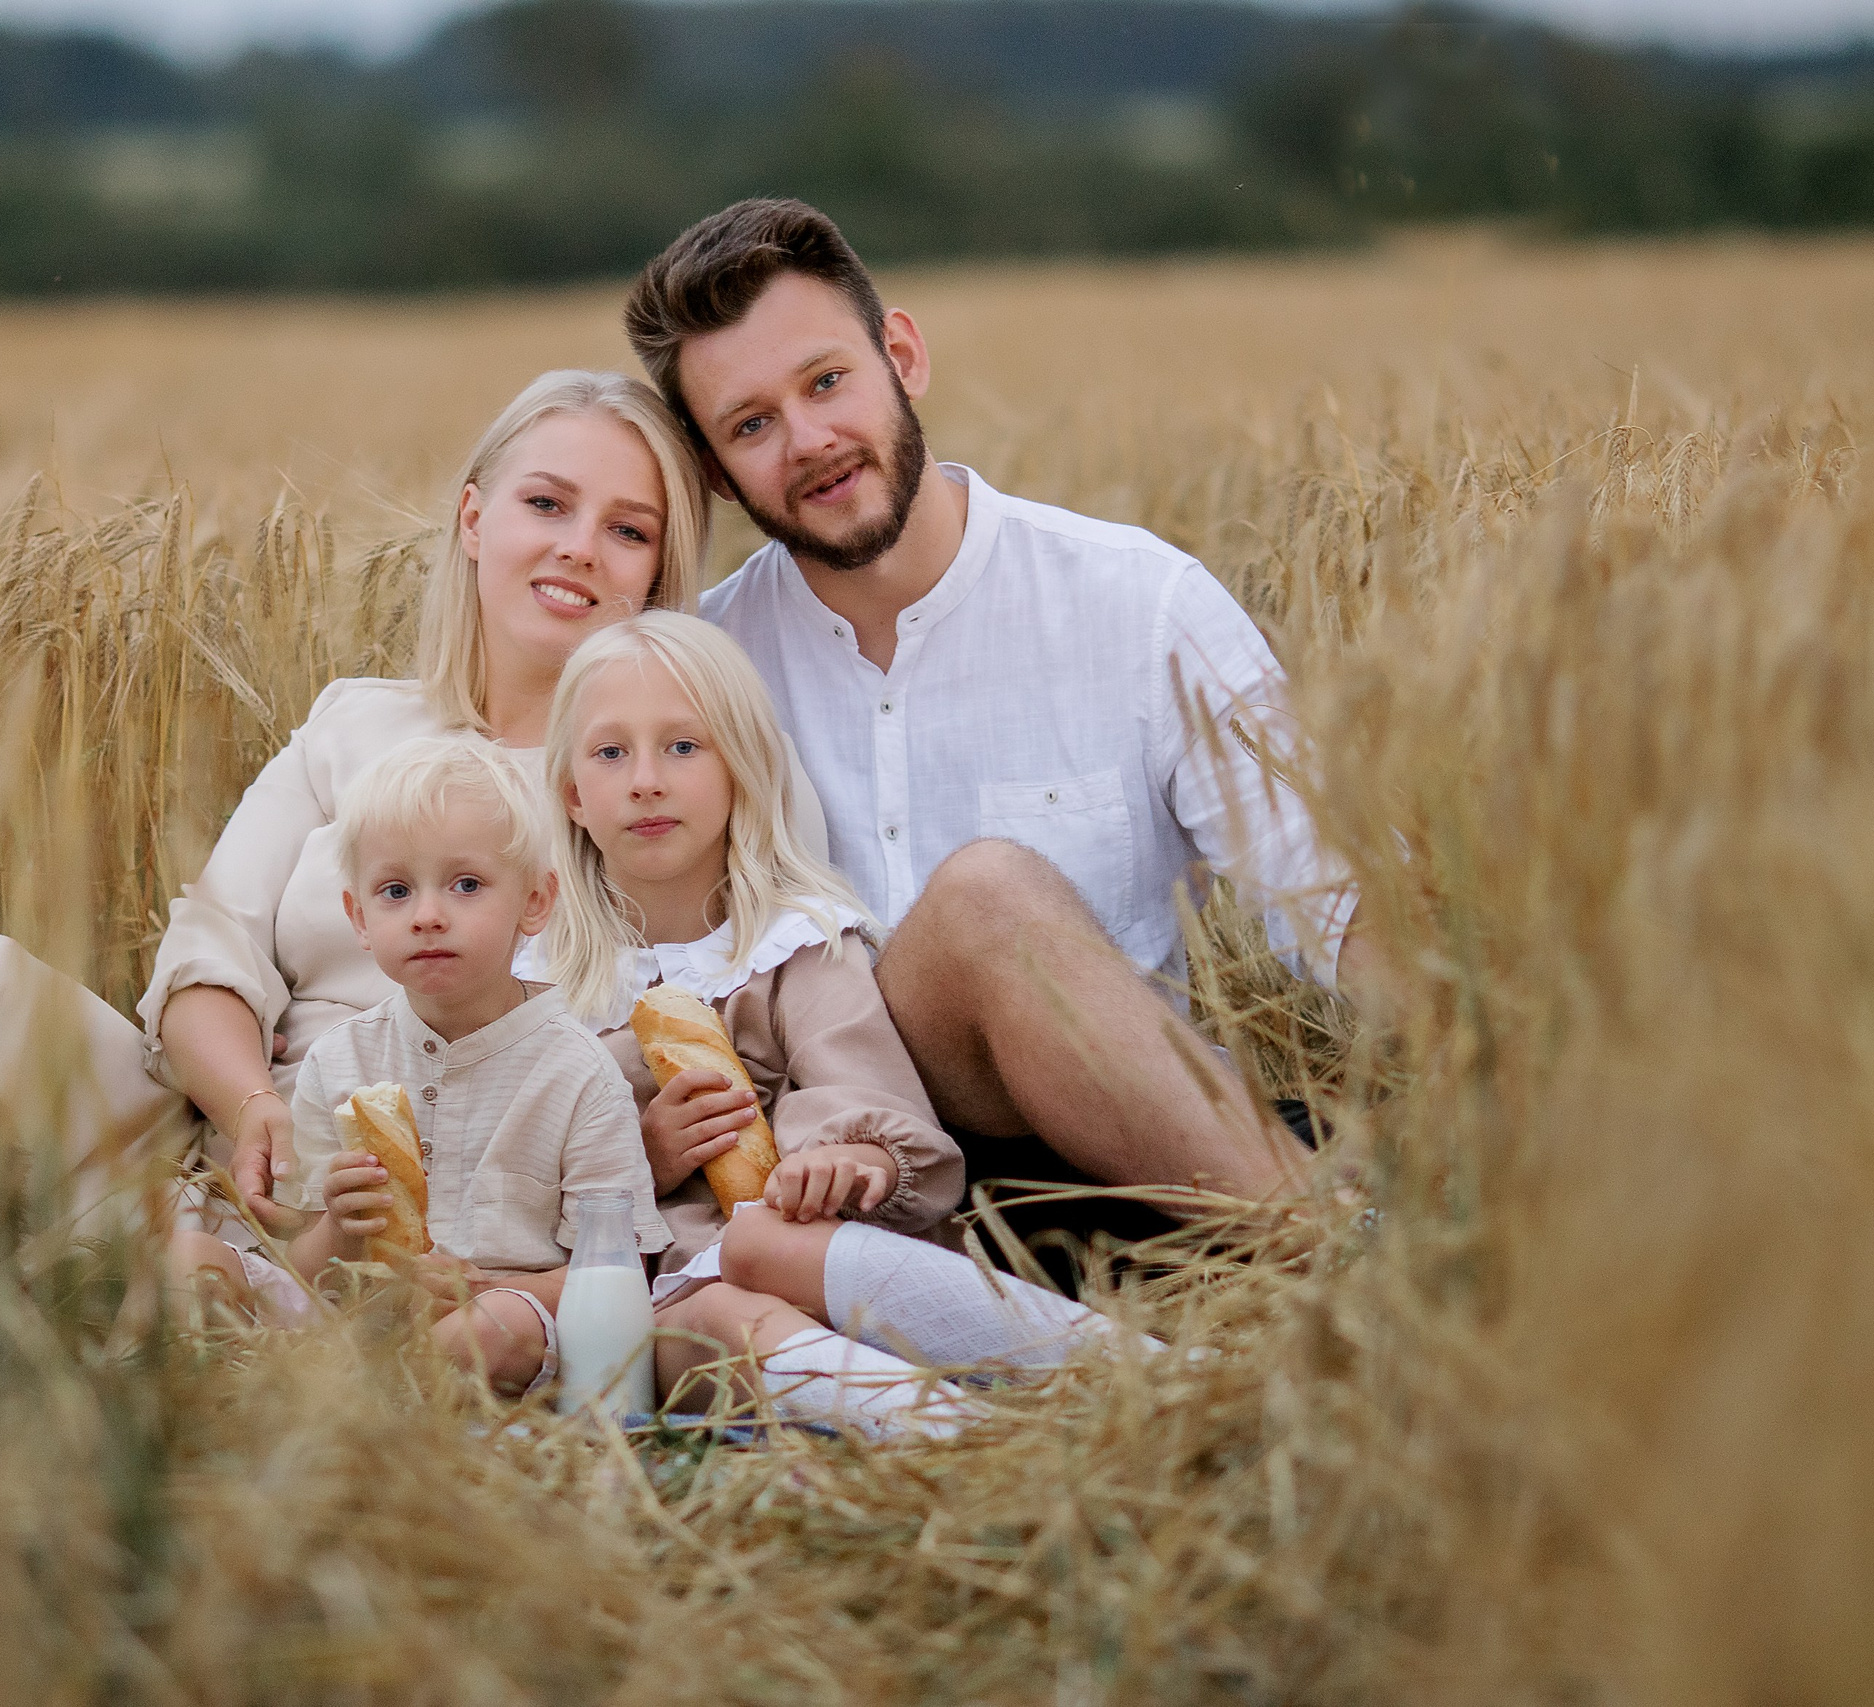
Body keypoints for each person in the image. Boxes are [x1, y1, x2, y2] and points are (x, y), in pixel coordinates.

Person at [0, 369, 820, 1262]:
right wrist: (256, 1107)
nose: (578, 544)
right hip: (225, 1141)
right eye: (546, 504)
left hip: (462, 1194)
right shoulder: (353, 723)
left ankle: (110, 1273)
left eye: (628, 529)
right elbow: (208, 957)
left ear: (657, 572)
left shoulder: (654, 785)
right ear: (473, 518)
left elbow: (727, 1004)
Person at [621, 200, 1385, 1270]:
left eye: (827, 381)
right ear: (712, 470)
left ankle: (1346, 1256)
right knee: (985, 900)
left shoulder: (1139, 604)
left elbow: (1331, 902)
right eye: (750, 425)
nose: (809, 442)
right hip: (844, 1199)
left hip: (1140, 1161)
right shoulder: (697, 671)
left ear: (902, 356)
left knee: (990, 899)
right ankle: (1355, 1265)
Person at [529, 611, 1112, 1406]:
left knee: (765, 1240)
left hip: (827, 1261)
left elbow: (872, 1099)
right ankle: (951, 1430)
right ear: (572, 793)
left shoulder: (795, 944)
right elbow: (516, 1182)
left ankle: (1119, 1367)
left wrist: (843, 1165)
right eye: (610, 752)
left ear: (741, 770)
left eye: (683, 746)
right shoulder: (544, 990)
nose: (645, 779)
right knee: (718, 1308)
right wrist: (644, 1162)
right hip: (661, 1305)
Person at [263, 733, 667, 1390]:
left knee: (495, 1326)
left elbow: (620, 1275)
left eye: (466, 884)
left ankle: (360, 1407)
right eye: (395, 891)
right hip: (368, 1318)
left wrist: (495, 1288)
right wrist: (339, 1227)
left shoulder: (580, 1074)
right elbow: (303, 1276)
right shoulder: (339, 1063)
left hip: (504, 1327)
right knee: (197, 1265)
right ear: (357, 916)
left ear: (534, 901)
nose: (427, 915)